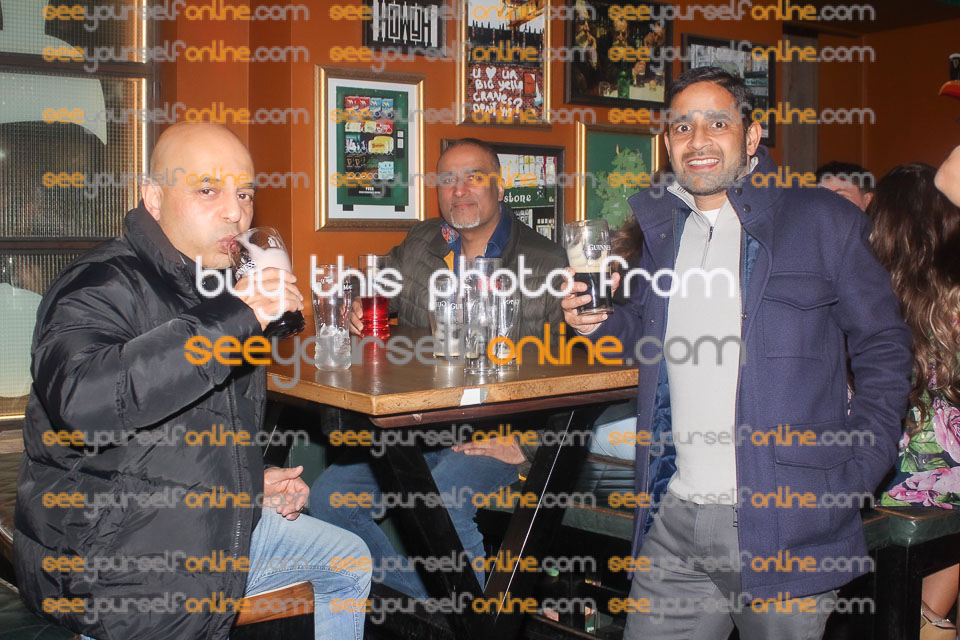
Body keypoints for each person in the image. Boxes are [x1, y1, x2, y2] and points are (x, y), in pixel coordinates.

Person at [563, 67, 913, 639]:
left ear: (751, 137)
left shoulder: (823, 220)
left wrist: (862, 465)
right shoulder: (662, 231)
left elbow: (885, 345)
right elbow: (648, 337)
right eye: (682, 127)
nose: (697, 141)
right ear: (668, 142)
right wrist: (596, 321)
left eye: (717, 123)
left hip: (787, 528)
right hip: (674, 516)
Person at [14, 122, 371, 640]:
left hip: (202, 532)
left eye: (244, 193)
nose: (235, 211)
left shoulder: (218, 288)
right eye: (208, 190)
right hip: (117, 568)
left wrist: (248, 481)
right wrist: (235, 317)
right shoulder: (99, 283)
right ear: (153, 199)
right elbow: (84, 401)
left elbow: (186, 431)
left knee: (346, 560)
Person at [310, 137, 568, 599]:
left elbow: (578, 372)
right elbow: (369, 279)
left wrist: (529, 444)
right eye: (447, 179)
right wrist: (354, 300)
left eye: (474, 177)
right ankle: (444, 612)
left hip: (500, 431)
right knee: (330, 497)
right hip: (423, 427)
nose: (459, 189)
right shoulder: (421, 243)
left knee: (446, 499)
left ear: (500, 187)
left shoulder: (546, 262)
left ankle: (467, 619)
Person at [873, 163, 960, 640]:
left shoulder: (855, 295)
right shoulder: (953, 302)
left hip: (871, 482)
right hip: (947, 488)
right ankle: (930, 621)